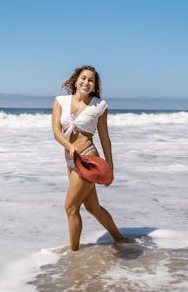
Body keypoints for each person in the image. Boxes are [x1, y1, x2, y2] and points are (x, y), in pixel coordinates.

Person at [52, 65, 129, 251]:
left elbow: (104, 137)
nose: (86, 82)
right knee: (93, 207)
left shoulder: (99, 106)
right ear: (75, 80)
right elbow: (56, 131)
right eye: (83, 78)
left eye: (91, 80)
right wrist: (69, 146)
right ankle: (120, 238)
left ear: (95, 86)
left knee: (70, 208)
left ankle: (74, 253)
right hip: (70, 160)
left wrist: (110, 166)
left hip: (87, 159)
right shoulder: (60, 101)